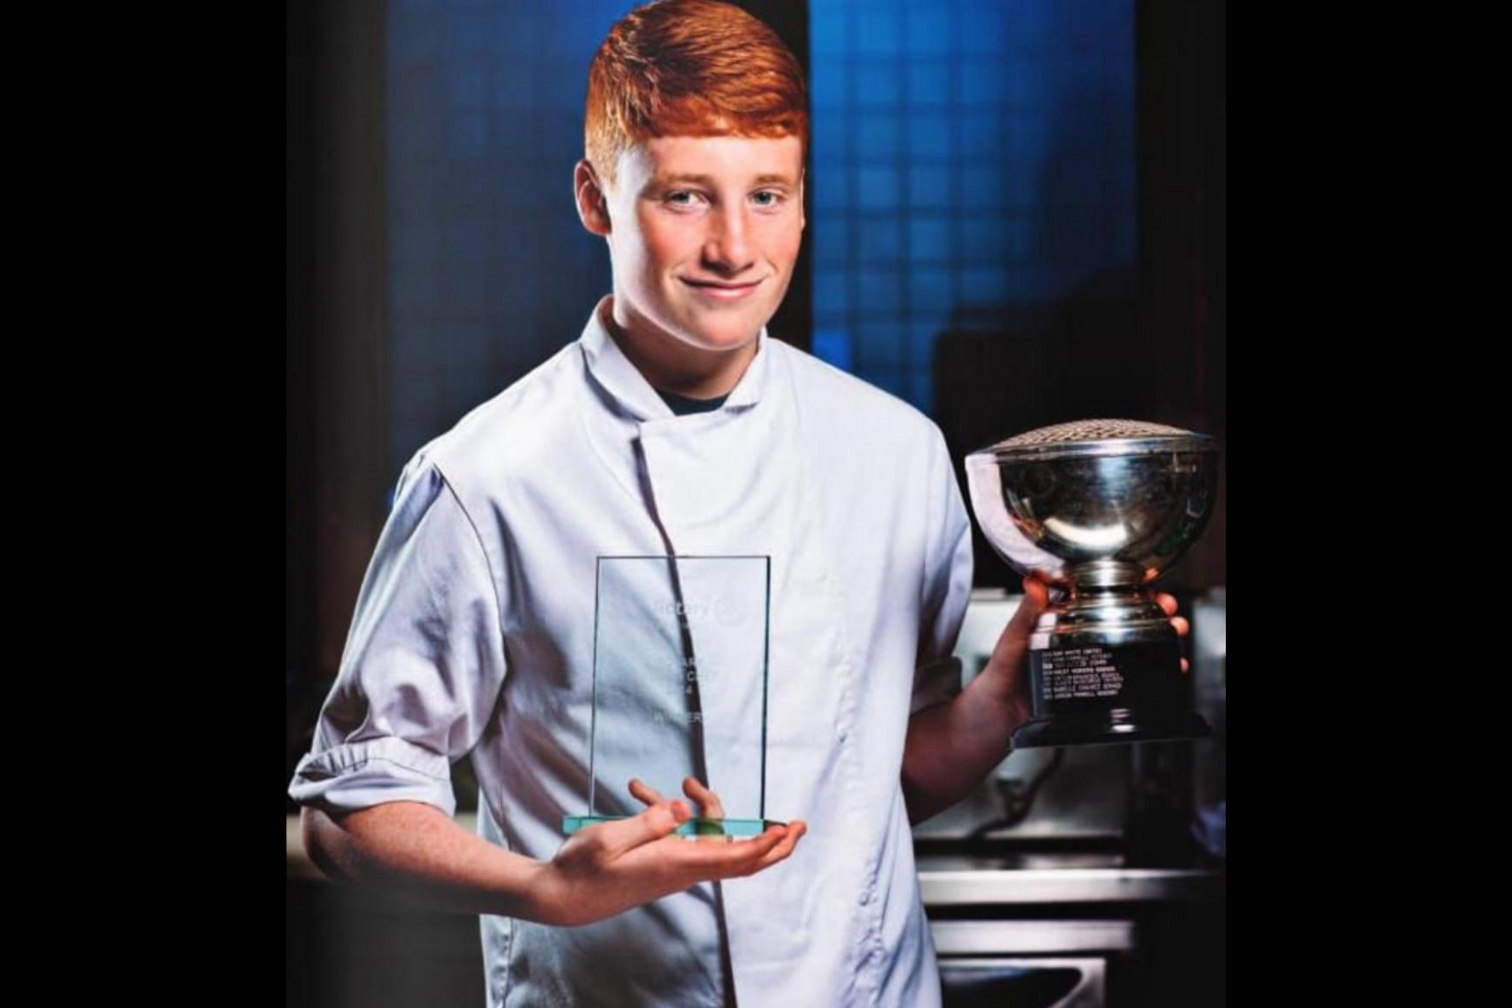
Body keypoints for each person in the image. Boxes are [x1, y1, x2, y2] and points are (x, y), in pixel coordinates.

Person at [289, 2, 1186, 1005]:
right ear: (595, 199)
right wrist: (545, 888)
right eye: (684, 195)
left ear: (805, 200)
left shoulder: (894, 452)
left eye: (767, 193)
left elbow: (873, 788)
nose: (734, 245)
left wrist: (997, 706)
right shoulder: (486, 476)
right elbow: (347, 807)